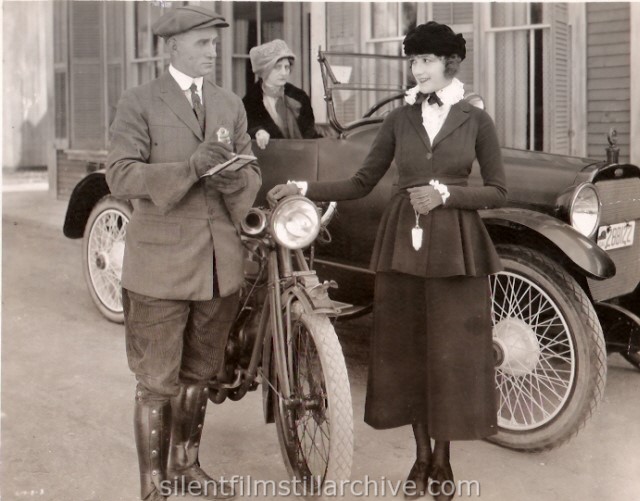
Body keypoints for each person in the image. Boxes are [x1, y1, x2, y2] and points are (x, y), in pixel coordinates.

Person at [268, 21, 507, 501]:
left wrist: (445, 194)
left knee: (449, 358)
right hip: (404, 246)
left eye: (428, 60)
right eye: (414, 61)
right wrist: (303, 188)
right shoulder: (400, 120)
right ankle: (420, 458)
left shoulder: (477, 121)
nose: (419, 70)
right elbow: (360, 182)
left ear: (449, 64)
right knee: (409, 354)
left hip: (457, 249)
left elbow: (499, 190)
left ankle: (443, 460)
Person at [106, 6, 261, 501]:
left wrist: (240, 178)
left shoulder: (229, 103)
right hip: (159, 268)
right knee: (157, 381)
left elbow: (252, 170)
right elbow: (121, 175)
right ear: (171, 47)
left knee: (200, 373)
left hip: (219, 268)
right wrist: (190, 169)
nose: (213, 53)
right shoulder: (139, 102)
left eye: (215, 44)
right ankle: (153, 485)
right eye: (202, 44)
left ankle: (186, 467)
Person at [242, 39, 319, 149]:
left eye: (287, 67)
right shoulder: (249, 101)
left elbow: (309, 133)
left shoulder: (300, 97)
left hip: (302, 156)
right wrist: (258, 132)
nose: (284, 73)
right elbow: (246, 129)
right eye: (278, 67)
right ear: (265, 70)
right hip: (271, 159)